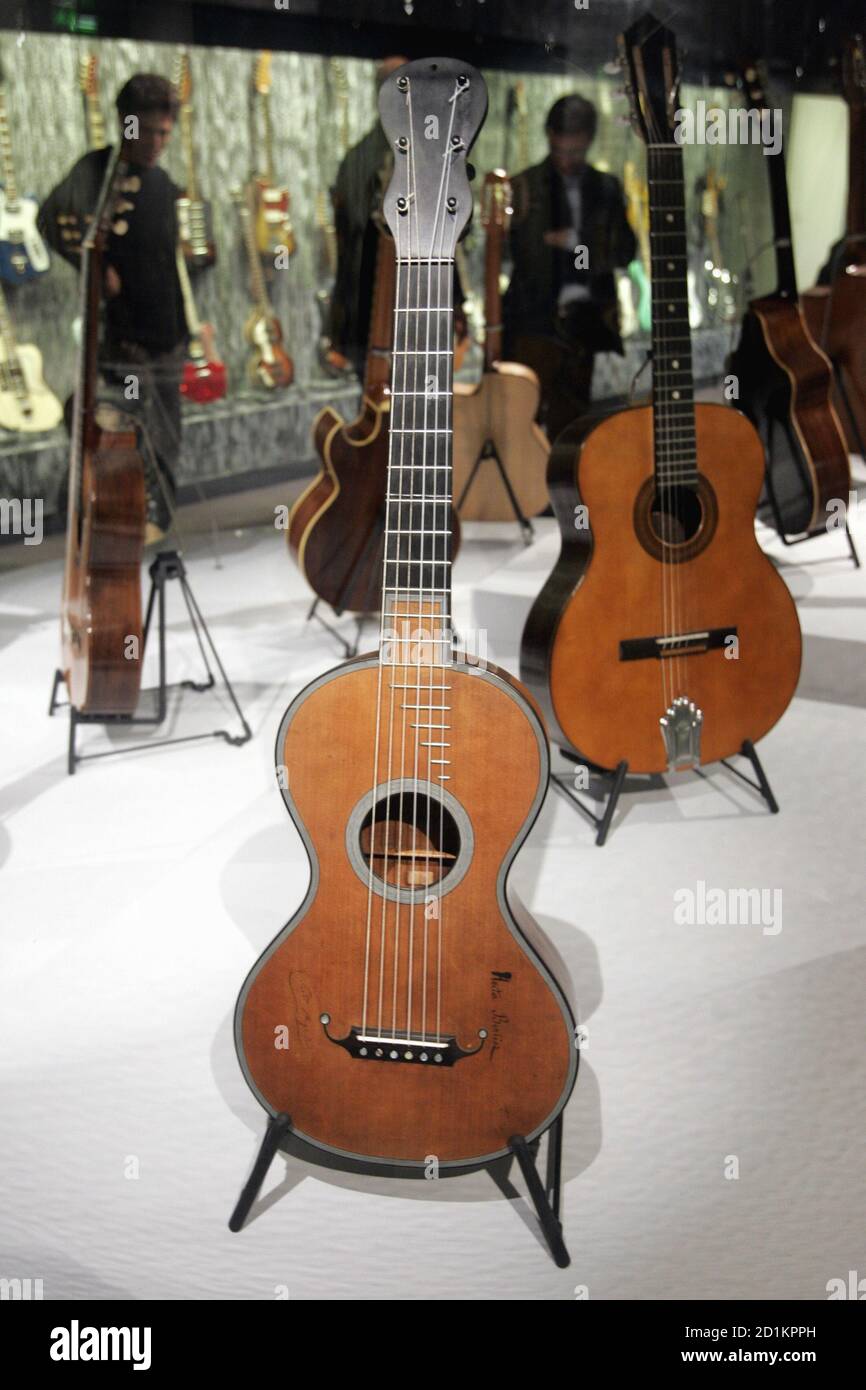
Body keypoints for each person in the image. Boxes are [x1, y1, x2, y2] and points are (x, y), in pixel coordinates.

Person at [39, 73, 186, 541]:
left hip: (168, 332)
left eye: (165, 132)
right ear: (127, 125)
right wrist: (94, 268)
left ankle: (160, 523)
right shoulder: (96, 172)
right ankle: (121, 514)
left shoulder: (163, 183)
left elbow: (170, 263)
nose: (158, 142)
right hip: (122, 337)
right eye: (148, 131)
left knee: (168, 434)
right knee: (126, 429)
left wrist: (193, 325)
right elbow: (49, 219)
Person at [503, 94, 637, 444]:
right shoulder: (526, 185)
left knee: (572, 426)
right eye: (560, 151)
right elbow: (519, 254)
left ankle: (563, 494)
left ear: (589, 141)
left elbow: (625, 250)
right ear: (549, 137)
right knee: (521, 421)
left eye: (575, 153)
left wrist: (579, 244)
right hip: (535, 324)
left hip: (584, 323)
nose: (566, 162)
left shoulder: (605, 188)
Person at [328, 55, 467, 377]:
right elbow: (353, 241)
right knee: (379, 402)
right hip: (374, 300)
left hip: (425, 302)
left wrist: (456, 301)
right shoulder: (359, 161)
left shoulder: (432, 152)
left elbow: (451, 232)